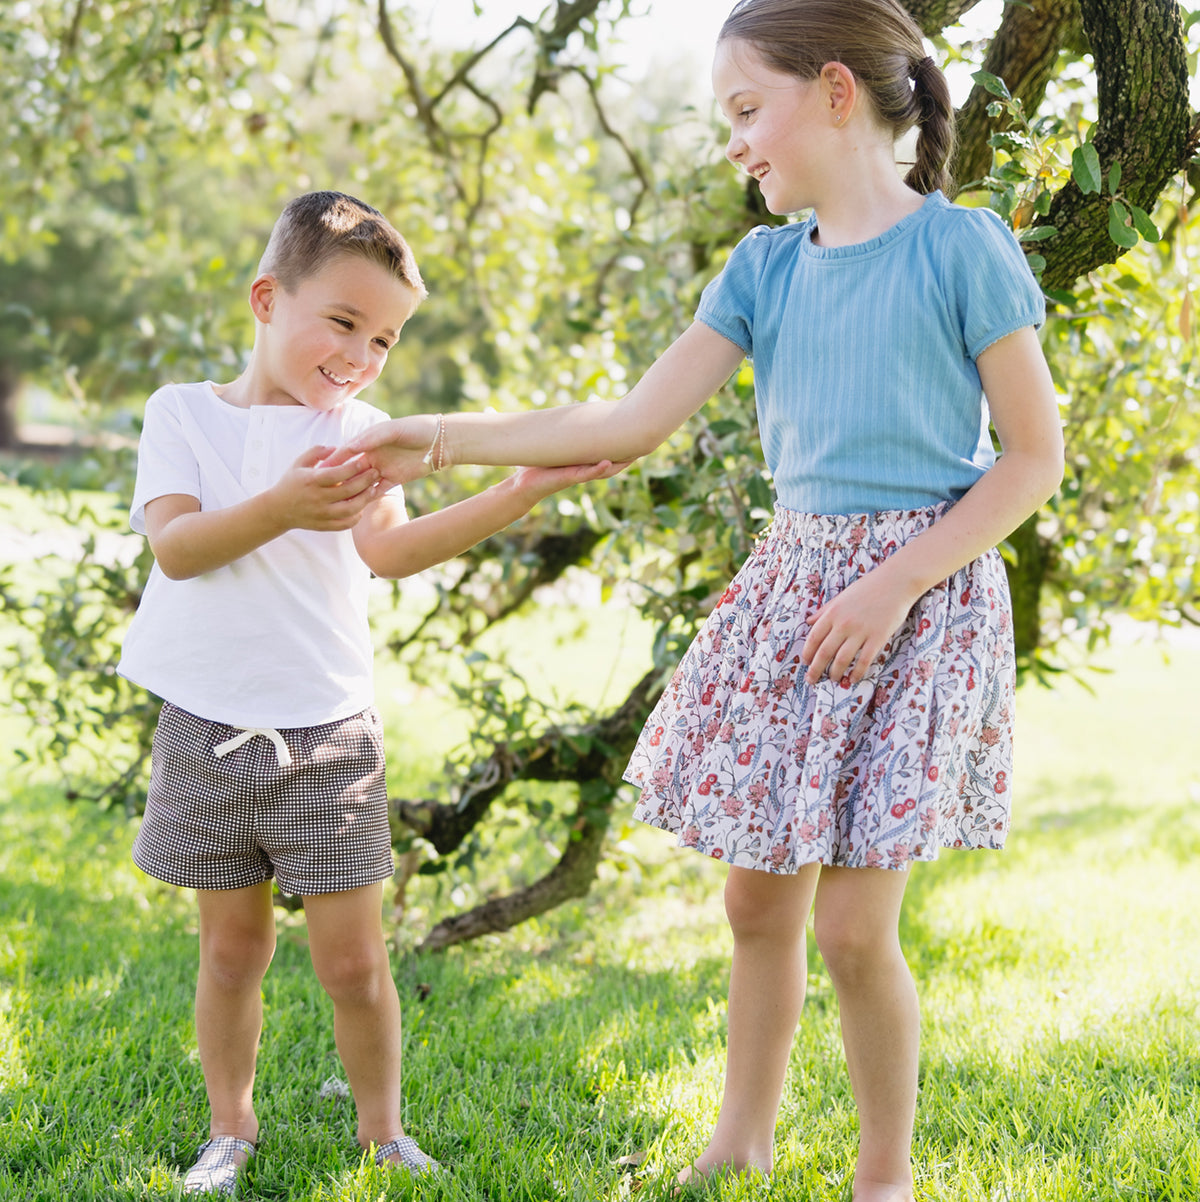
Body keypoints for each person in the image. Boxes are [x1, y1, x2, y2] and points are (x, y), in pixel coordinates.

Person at [344, 2, 1065, 1198]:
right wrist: (424, 438)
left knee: (850, 927)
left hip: (918, 600)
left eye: (745, 111)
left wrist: (892, 582)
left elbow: (1033, 458)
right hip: (797, 590)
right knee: (754, 899)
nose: (733, 143)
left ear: (836, 93)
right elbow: (625, 421)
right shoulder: (764, 266)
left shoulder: (964, 248)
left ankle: (882, 1173)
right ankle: (742, 1137)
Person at [117, 190, 619, 1197]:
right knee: (232, 952)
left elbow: (389, 549)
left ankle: (384, 1132)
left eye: (384, 336)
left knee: (353, 965)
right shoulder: (183, 415)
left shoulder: (367, 430)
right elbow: (176, 546)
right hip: (208, 727)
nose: (360, 352)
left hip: (329, 734)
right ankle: (231, 1129)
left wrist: (511, 493)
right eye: (343, 321)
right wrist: (279, 505)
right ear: (267, 298)